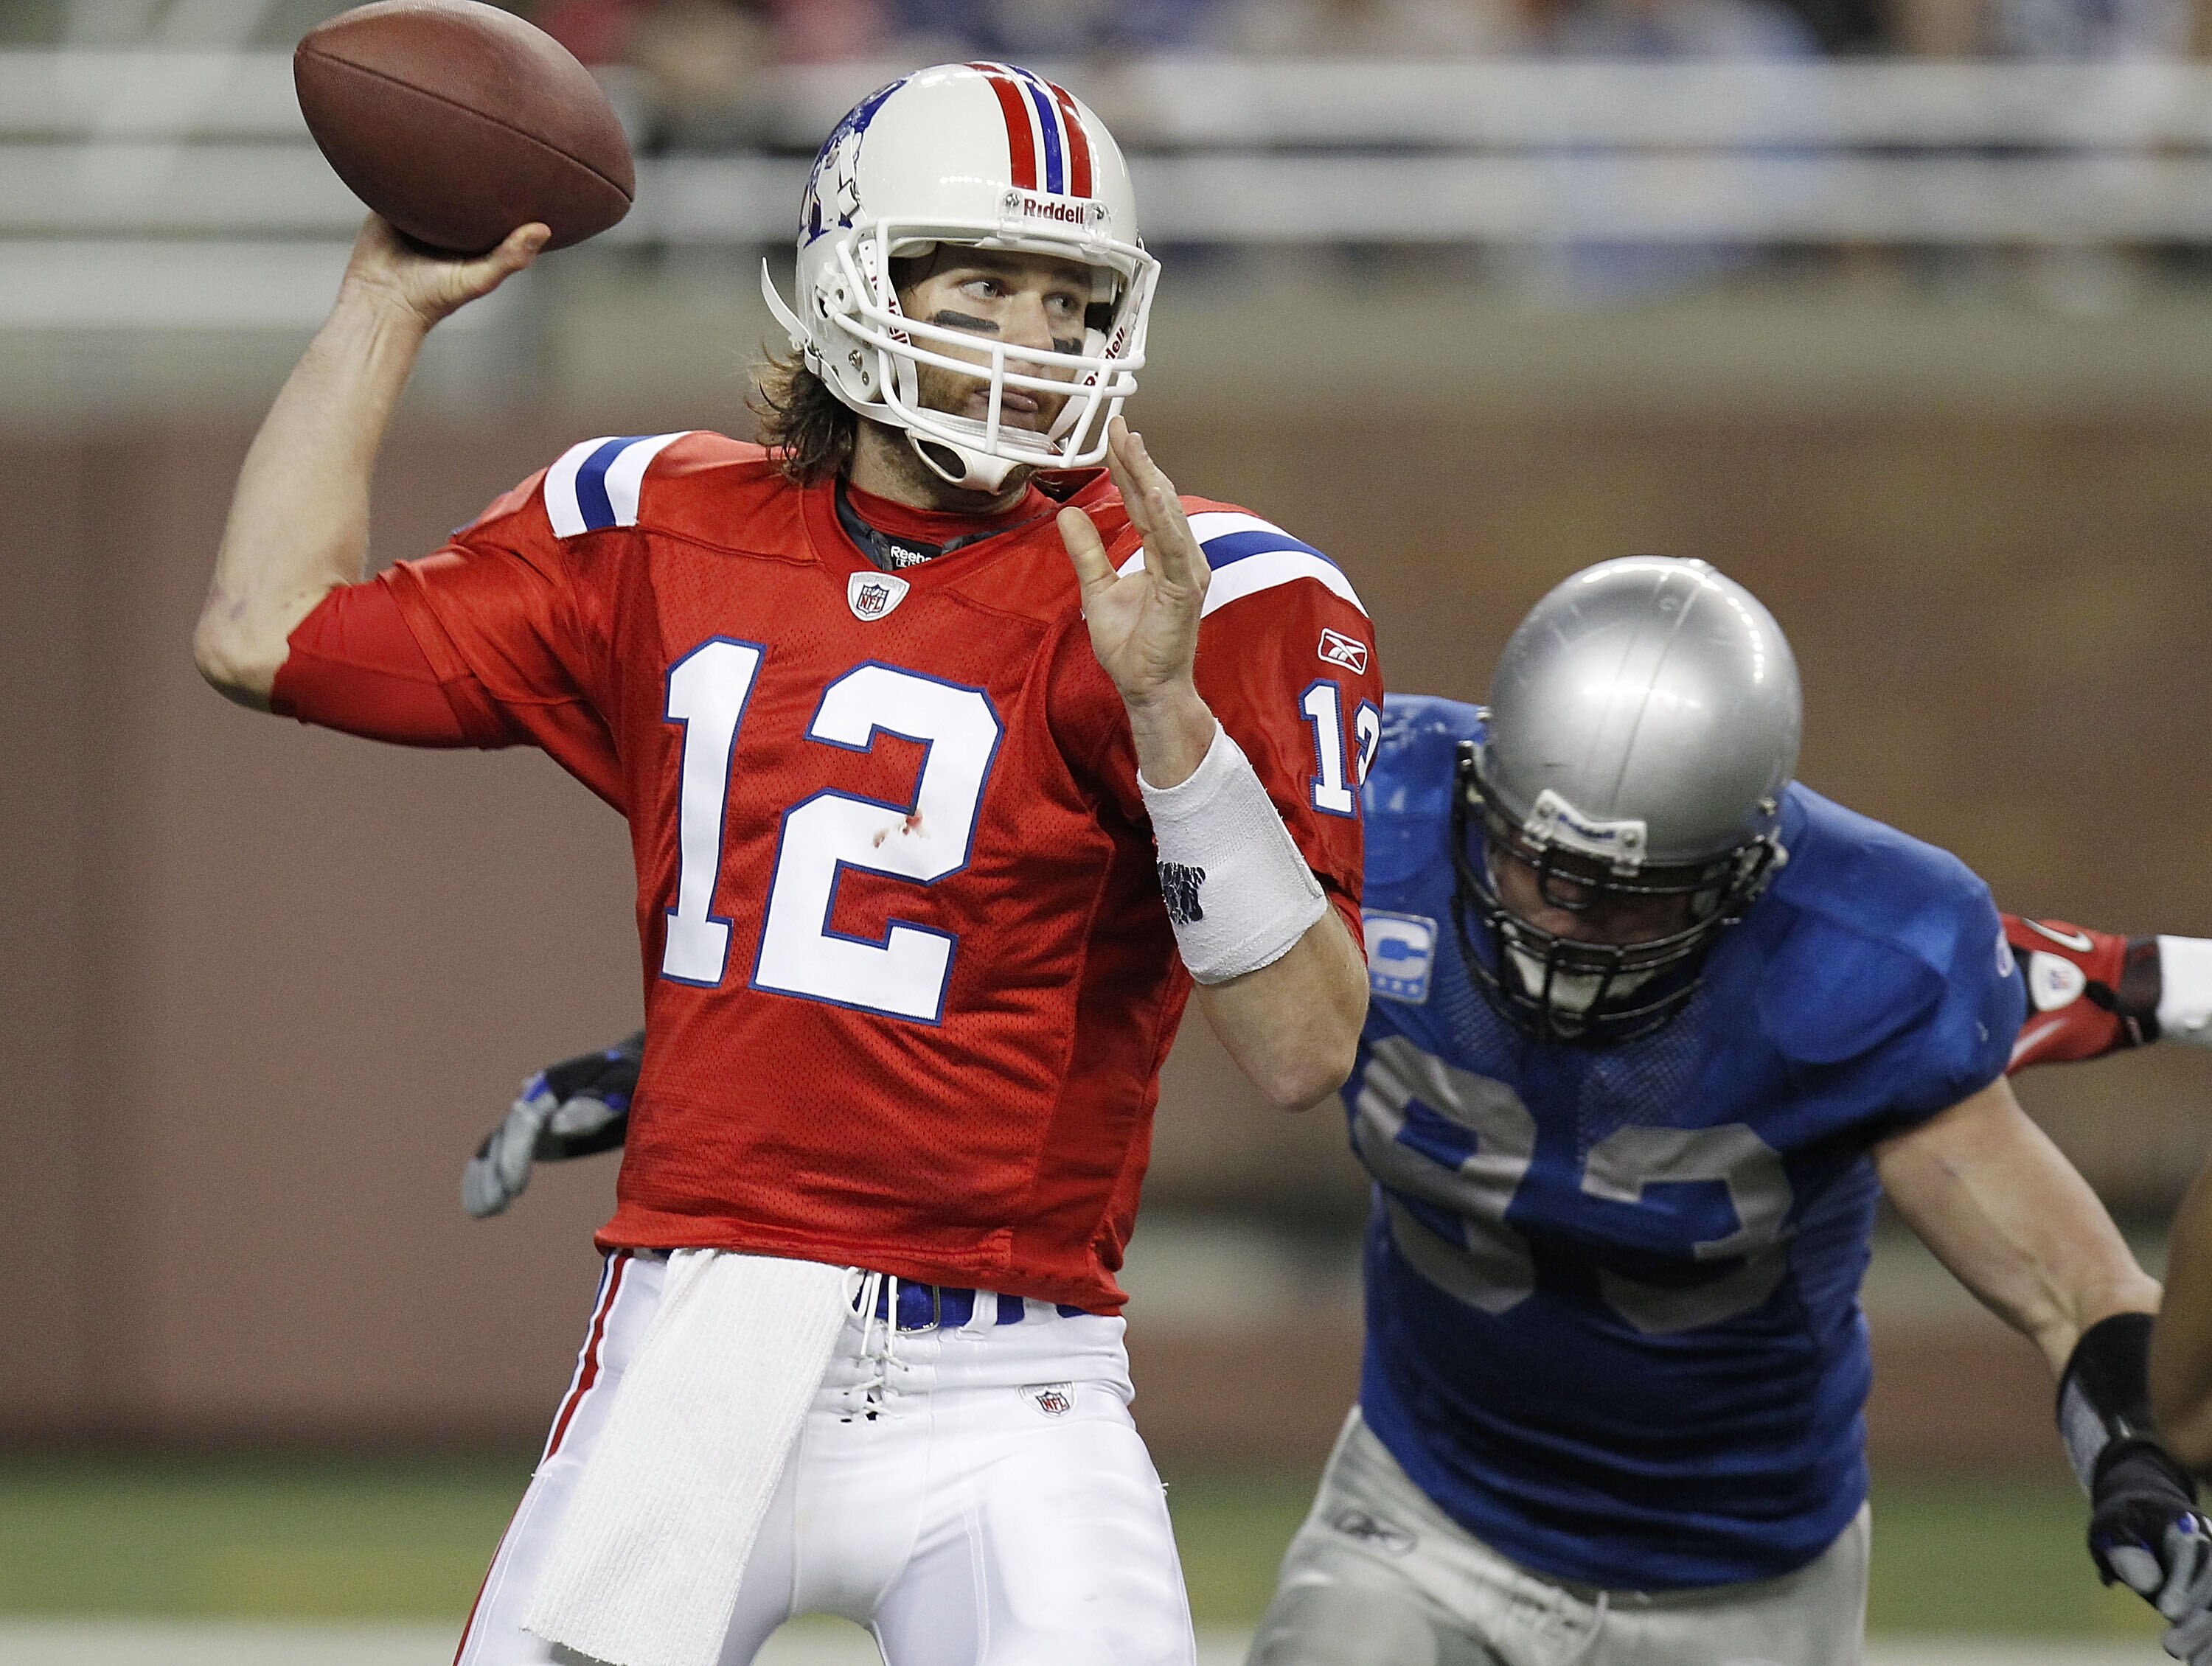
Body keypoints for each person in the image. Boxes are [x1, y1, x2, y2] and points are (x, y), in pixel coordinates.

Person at [192, 63, 1380, 1666]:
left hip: (1010, 1376)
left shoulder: (1194, 587)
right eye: (984, 280)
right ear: (854, 274)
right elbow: (265, 632)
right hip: (699, 1336)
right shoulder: (658, 526)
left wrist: (1169, 716)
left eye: (1071, 296)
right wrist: (380, 309)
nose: (1035, 338)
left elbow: (1312, 1047)